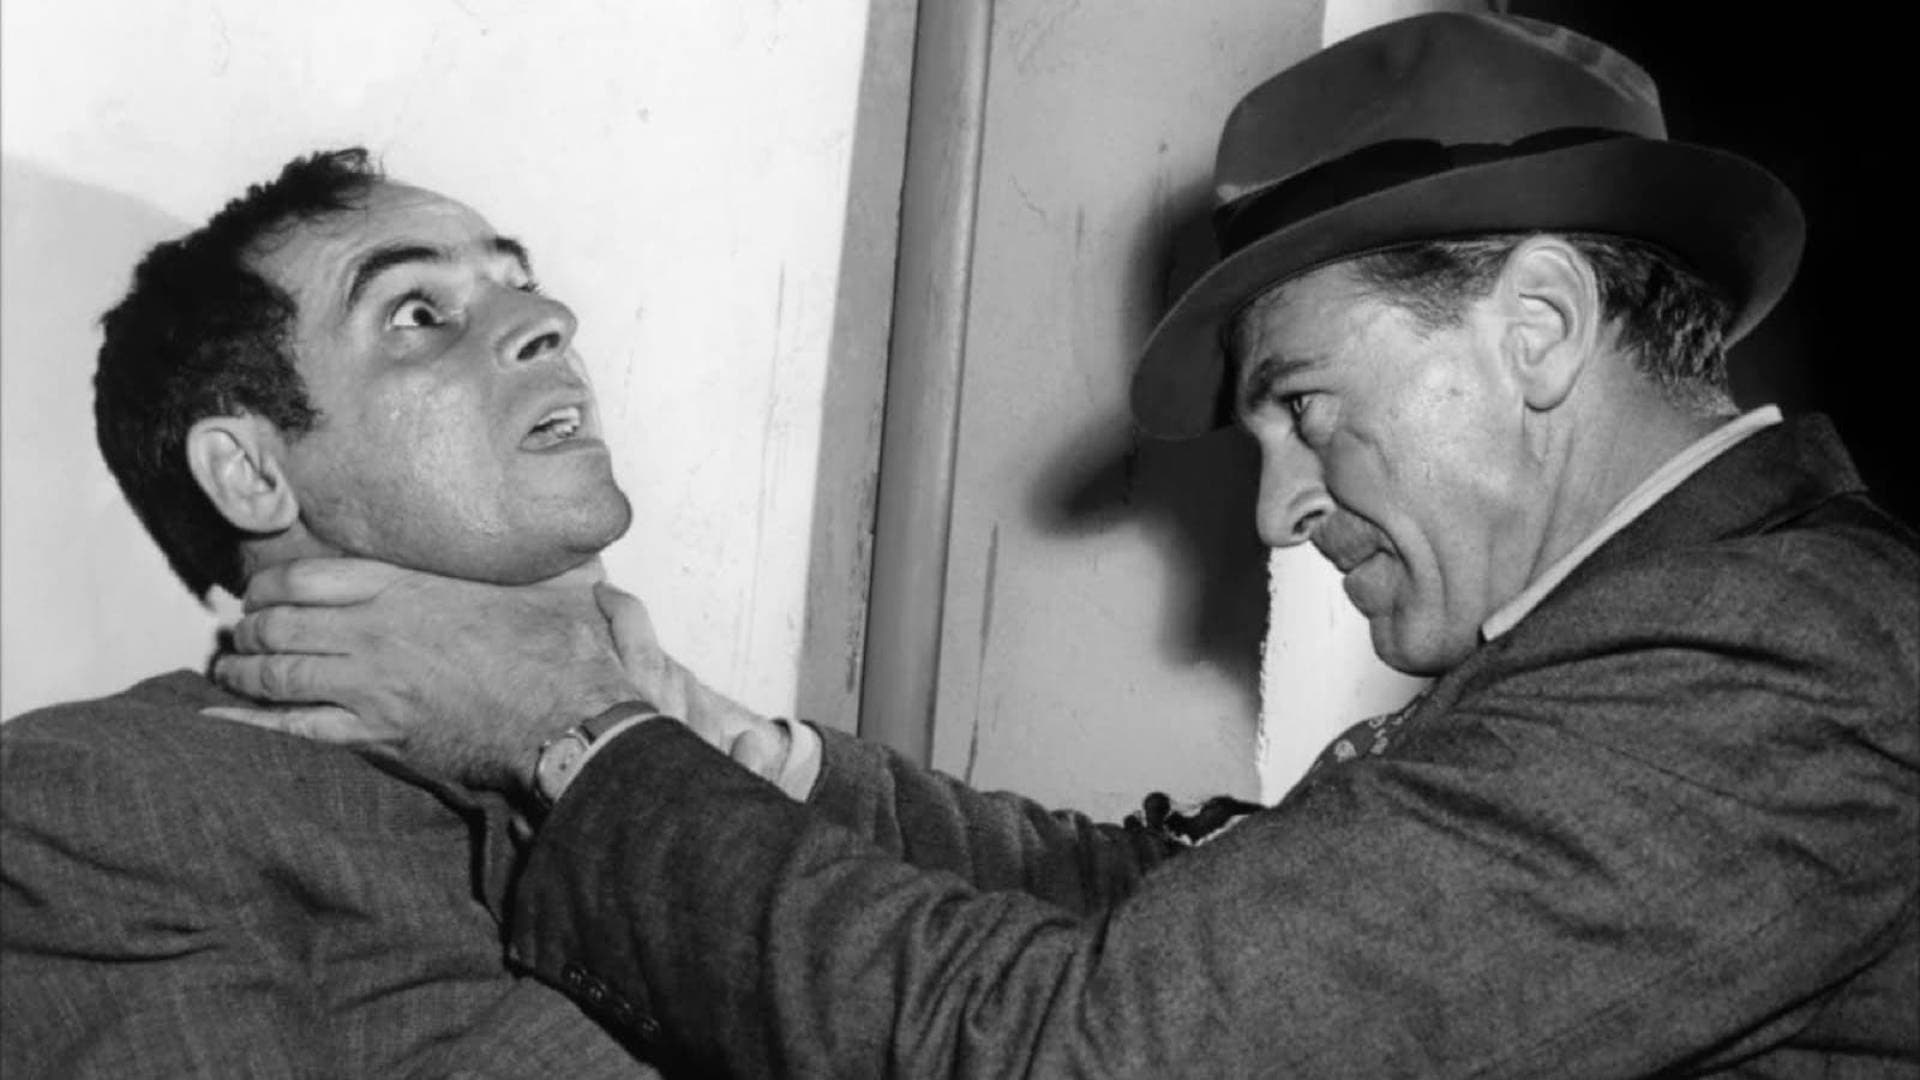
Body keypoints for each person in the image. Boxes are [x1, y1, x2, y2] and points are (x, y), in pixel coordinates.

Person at [211, 14, 1919, 1078]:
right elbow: (1173, 917)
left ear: (1537, 327)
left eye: (1305, 405)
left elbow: (1097, 1049)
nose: (1280, 510)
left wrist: (572, 736)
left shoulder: (1780, 666)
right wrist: (736, 749)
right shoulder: (1671, 633)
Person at [0, 147, 770, 1077]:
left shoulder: (713, 740)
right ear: (250, 473)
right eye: (418, 314)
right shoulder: (103, 798)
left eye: (521, 284)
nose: (549, 321)